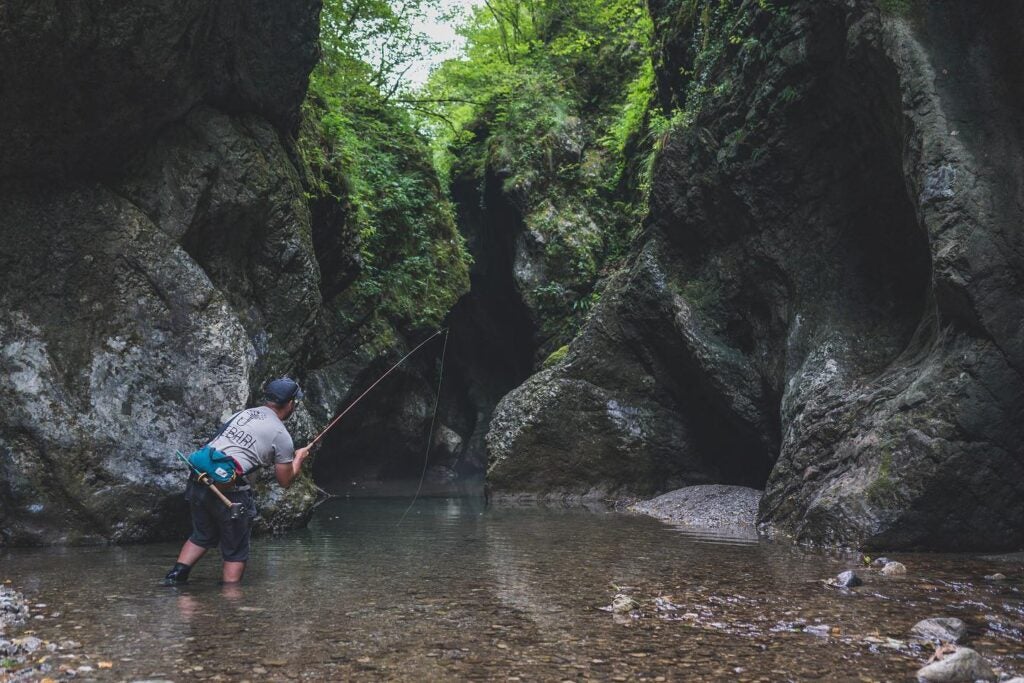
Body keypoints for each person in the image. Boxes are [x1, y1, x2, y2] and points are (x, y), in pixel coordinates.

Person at [162, 377, 311, 585]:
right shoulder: (281, 434)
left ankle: (175, 577)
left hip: (199, 478)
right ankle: (231, 604)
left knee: (202, 535)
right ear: (290, 403)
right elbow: (284, 481)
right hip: (230, 494)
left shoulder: (243, 414)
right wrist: (299, 459)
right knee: (235, 551)